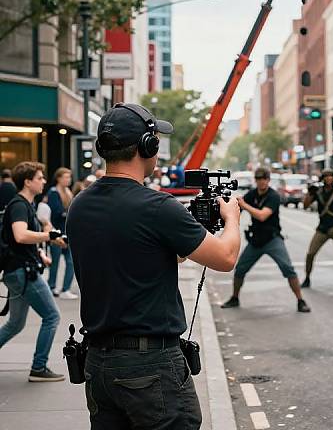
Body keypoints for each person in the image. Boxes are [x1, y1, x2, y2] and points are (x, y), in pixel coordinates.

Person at [66, 103, 241, 430]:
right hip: (150, 367)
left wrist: (180, 235)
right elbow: (226, 257)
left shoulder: (80, 205)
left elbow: (146, 254)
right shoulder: (157, 207)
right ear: (148, 147)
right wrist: (231, 218)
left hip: (99, 363)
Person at [0, 161, 67, 381]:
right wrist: (49, 237)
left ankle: (39, 366)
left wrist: (40, 253)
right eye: (40, 178)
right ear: (28, 182)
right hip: (23, 273)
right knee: (52, 317)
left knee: (15, 324)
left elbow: (20, 241)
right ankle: (39, 367)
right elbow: (20, 235)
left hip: (19, 271)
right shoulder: (19, 205)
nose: (44, 181)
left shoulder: (26, 204)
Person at [221, 166, 311, 313]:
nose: (261, 182)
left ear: (268, 180)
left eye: (264, 179)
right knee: (240, 269)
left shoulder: (273, 196)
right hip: (256, 240)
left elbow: (262, 215)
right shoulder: (252, 194)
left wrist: (244, 205)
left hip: (272, 239)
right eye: (258, 179)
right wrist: (228, 206)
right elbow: (237, 210)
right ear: (255, 180)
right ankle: (234, 298)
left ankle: (300, 300)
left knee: (288, 269)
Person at [47, 167, 76, 299]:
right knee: (55, 261)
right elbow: (56, 212)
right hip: (56, 232)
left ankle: (66, 289)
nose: (68, 179)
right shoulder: (53, 192)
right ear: (58, 178)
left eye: (69, 177)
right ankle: (51, 287)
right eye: (65, 177)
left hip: (67, 232)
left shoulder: (68, 192)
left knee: (71, 262)